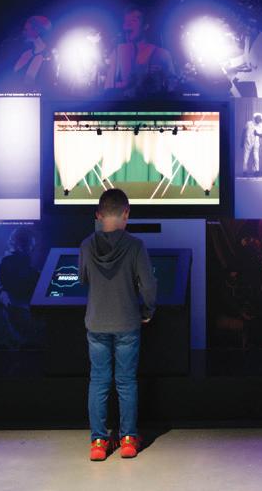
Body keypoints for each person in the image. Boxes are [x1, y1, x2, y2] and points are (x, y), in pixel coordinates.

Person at [79, 189, 156, 461]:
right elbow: (148, 286)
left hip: (97, 322)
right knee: (126, 382)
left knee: (99, 381)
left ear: (98, 215)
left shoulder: (86, 245)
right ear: (127, 213)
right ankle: (128, 440)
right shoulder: (136, 246)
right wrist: (147, 311)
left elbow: (83, 278)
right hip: (127, 322)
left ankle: (98, 442)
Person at [104, 6, 175, 97]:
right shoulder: (117, 52)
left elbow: (173, 87)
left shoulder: (162, 54)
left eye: (133, 21)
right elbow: (108, 88)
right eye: (126, 21)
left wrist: (162, 81)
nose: (127, 25)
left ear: (145, 26)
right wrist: (131, 85)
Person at [11, 15, 53, 92]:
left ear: (37, 31)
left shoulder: (50, 57)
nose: (23, 32)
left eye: (26, 30)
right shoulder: (26, 53)